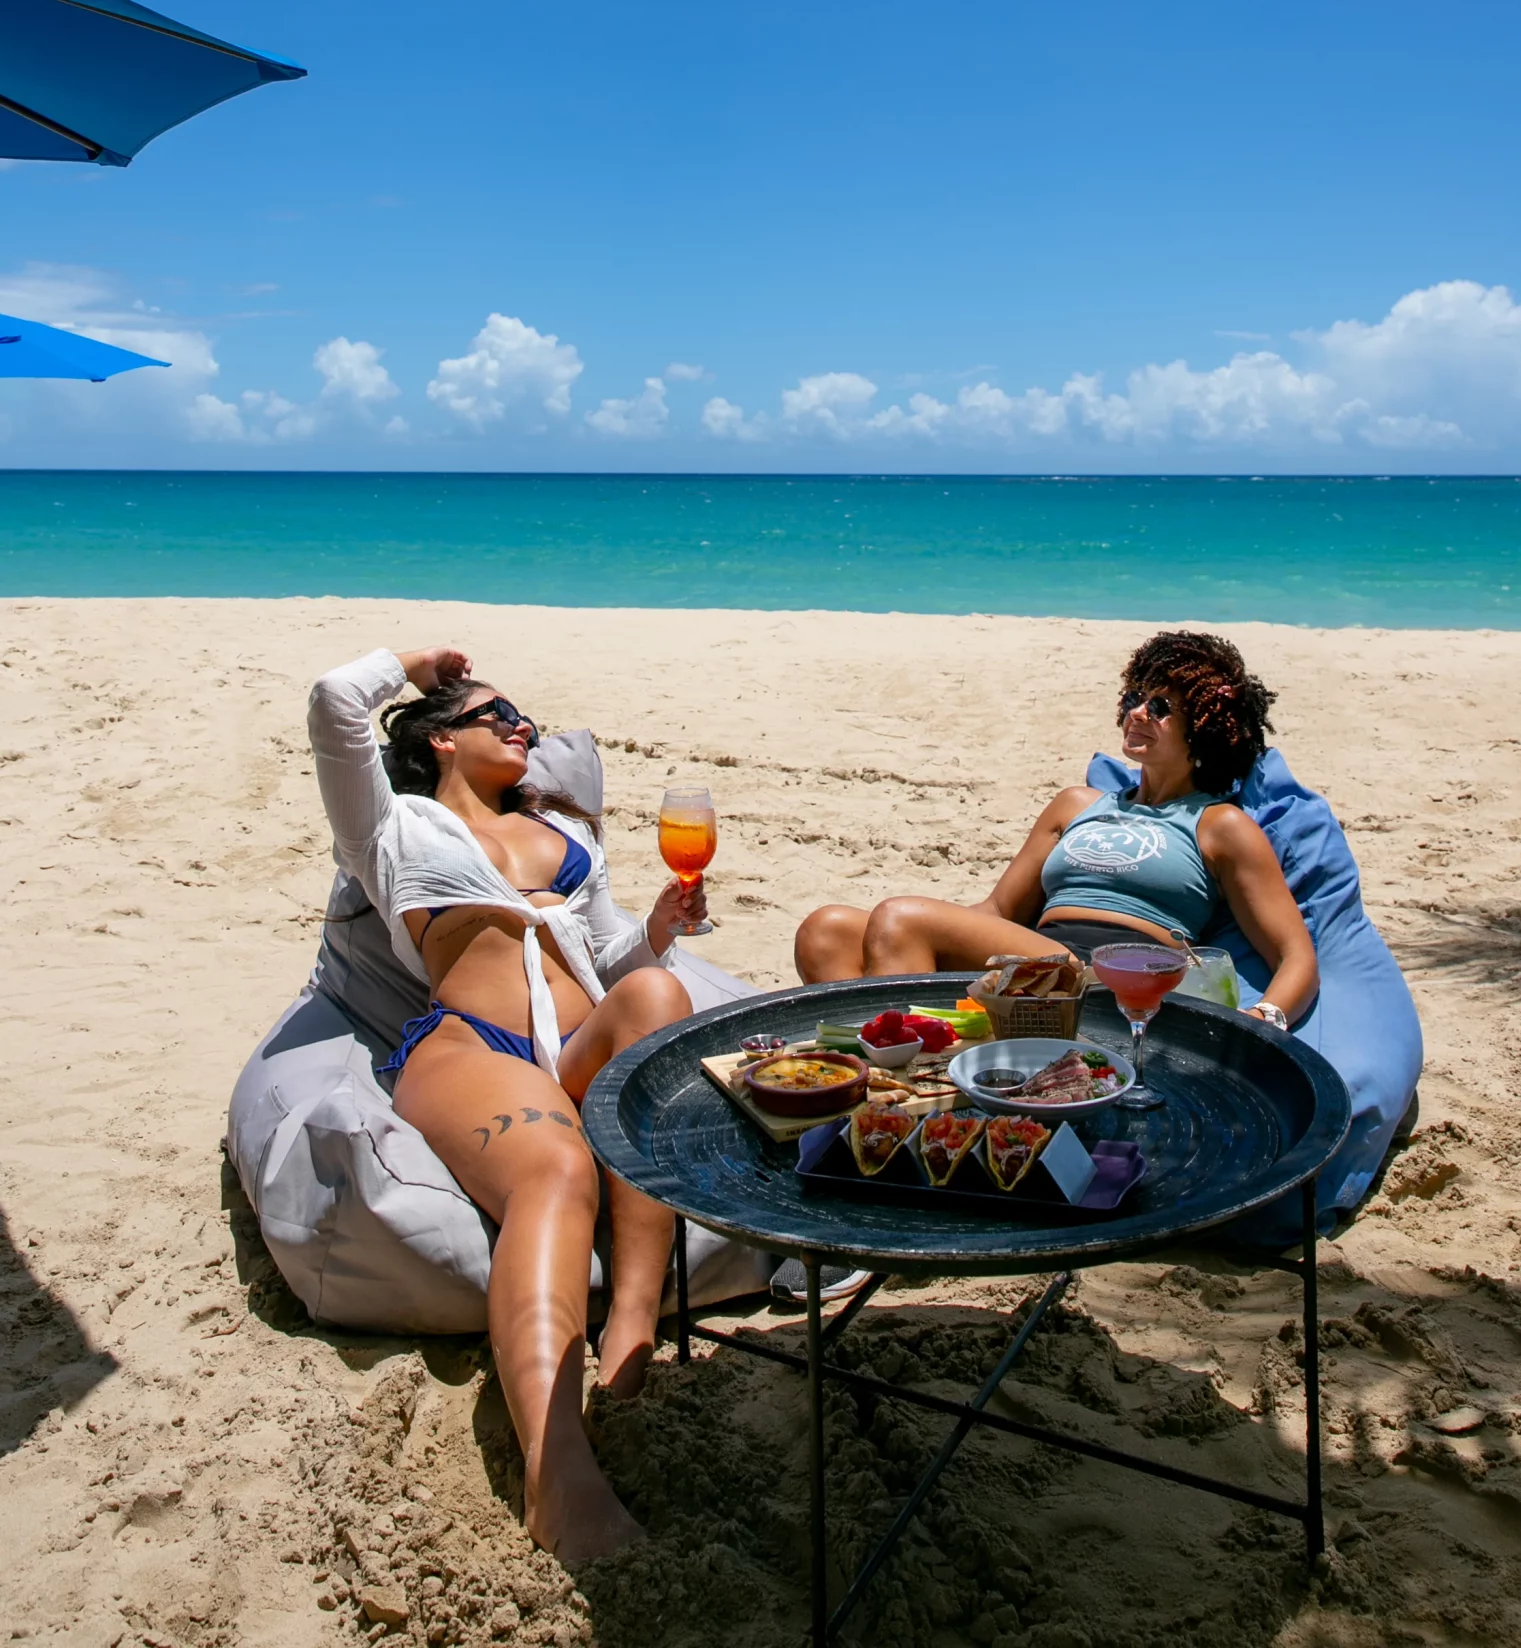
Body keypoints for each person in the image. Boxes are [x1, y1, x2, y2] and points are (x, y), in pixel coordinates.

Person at [309, 643, 698, 1568]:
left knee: (660, 1003)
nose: (523, 725)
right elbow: (333, 704)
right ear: (440, 740)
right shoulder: (390, 828)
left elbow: (615, 972)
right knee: (558, 1170)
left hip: (572, 1048)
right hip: (470, 1052)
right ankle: (554, 1471)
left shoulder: (569, 842)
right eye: (498, 713)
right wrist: (417, 662)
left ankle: (632, 1330)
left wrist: (656, 933)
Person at [794, 629, 1317, 1031]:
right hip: (1036, 963)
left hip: (1112, 977)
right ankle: (876, 1066)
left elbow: (1295, 955)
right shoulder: (1076, 803)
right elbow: (998, 912)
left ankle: (905, 1077)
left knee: (899, 916)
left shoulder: (1218, 824)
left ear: (1201, 726)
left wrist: (1268, 1015)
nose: (1137, 711)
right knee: (829, 929)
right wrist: (922, 933)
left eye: (1160, 707)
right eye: (1135, 695)